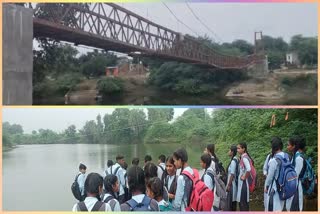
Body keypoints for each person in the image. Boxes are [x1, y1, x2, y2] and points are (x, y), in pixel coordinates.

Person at [264, 137, 290, 211]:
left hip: (275, 188)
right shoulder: (286, 156)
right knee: (280, 207)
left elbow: (270, 177)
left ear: (273, 147)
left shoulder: (274, 160)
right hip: (284, 187)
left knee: (273, 208)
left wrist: (266, 186)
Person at [286, 136, 305, 211]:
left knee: (295, 207)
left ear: (293, 146)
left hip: (295, 187)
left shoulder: (298, 158)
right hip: (292, 186)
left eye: (288, 145)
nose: (287, 147)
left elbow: (295, 175)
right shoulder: (294, 157)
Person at [204, 144, 221, 210]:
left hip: (213, 185)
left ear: (208, 150)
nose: (204, 151)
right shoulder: (215, 158)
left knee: (212, 205)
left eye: (205, 149)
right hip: (215, 184)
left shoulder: (211, 162)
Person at [236, 142, 252, 211]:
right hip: (243, 184)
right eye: (237, 148)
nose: (237, 150)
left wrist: (244, 177)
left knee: (243, 203)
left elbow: (249, 169)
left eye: (239, 148)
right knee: (243, 203)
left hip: (243, 184)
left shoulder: (244, 158)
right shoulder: (243, 157)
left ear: (243, 149)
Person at [226, 145, 238, 211]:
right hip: (233, 184)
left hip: (232, 185)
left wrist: (229, 185)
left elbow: (232, 174)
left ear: (232, 152)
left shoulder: (233, 161)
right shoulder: (235, 159)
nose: (228, 152)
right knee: (233, 202)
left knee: (231, 202)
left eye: (229, 150)